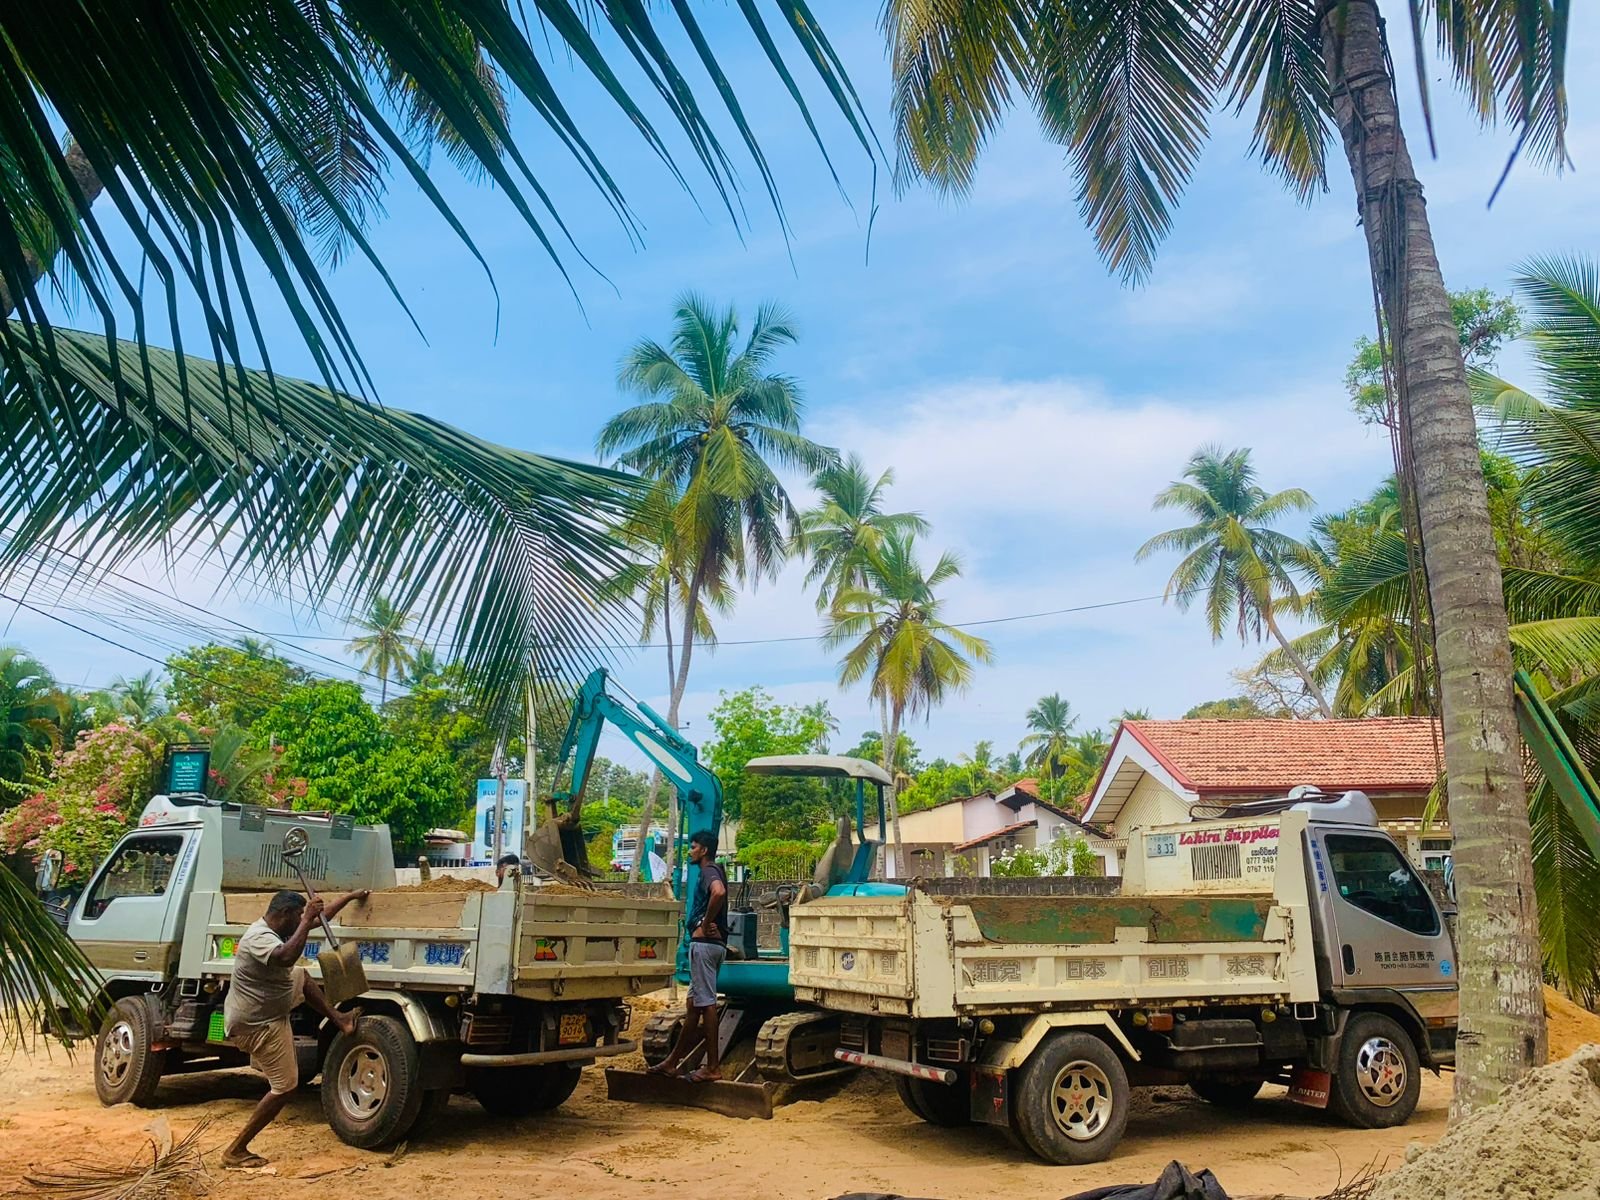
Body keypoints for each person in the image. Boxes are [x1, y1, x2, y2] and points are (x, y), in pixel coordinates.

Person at [221, 887, 367, 1169]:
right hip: (257, 1024)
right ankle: (235, 1150)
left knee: (300, 975)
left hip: (270, 1010)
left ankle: (340, 1020)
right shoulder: (258, 937)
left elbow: (319, 919)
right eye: (298, 915)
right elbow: (284, 957)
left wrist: (348, 897)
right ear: (285, 913)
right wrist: (306, 918)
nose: (303, 920)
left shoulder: (280, 927)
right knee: (285, 1087)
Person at [649, 830, 727, 1082]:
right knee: (693, 1005)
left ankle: (712, 1067)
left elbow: (718, 892)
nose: (690, 851)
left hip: (704, 945)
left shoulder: (709, 871)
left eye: (694, 847)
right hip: (709, 945)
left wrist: (705, 922)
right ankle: (672, 1063)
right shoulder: (715, 870)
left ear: (704, 850)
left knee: (706, 1003)